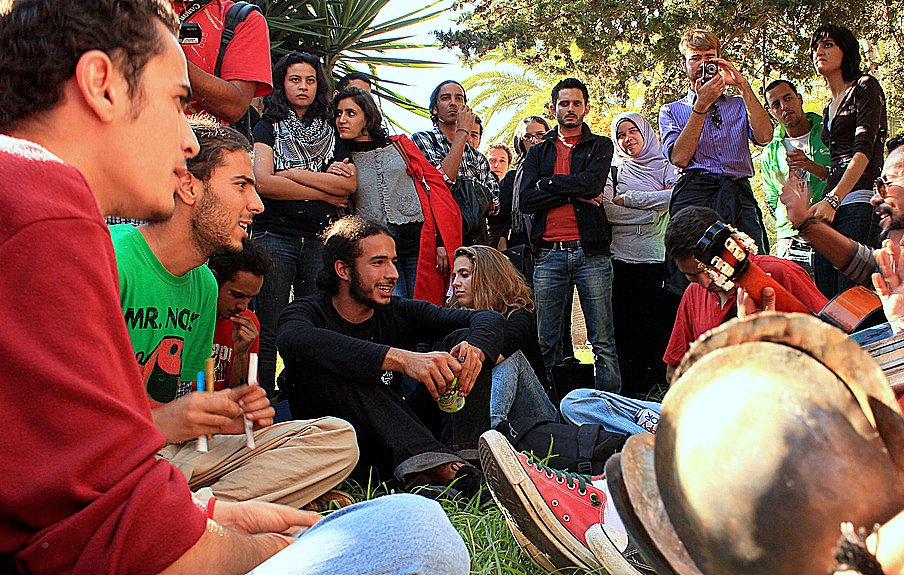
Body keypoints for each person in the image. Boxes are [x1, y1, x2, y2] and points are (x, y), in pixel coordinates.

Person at [0, 1, 469, 573]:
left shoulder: (39, 202)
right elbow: (121, 539)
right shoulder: (46, 214)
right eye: (177, 101)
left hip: (154, 493)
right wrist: (245, 544)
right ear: (101, 85)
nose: (188, 141)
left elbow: (72, 478)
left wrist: (210, 510)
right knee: (414, 532)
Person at [112, 120, 359, 509]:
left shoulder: (204, 287)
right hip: (106, 458)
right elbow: (60, 421)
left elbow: (182, 400)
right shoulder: (111, 259)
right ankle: (200, 515)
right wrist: (168, 423)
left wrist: (225, 415)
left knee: (337, 438)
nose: (257, 204)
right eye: (242, 184)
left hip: (169, 456)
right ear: (188, 185)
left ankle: (193, 511)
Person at [277, 216, 505, 493]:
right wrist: (401, 359)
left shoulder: (396, 311)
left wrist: (476, 349)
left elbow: (488, 320)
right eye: (378, 262)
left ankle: (465, 463)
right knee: (341, 364)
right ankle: (445, 473)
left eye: (393, 262)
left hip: (399, 435)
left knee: (462, 343)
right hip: (344, 446)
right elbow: (292, 340)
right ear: (343, 270)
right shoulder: (307, 312)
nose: (393, 274)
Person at [251, 51, 357, 397]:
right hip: (274, 236)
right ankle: (265, 401)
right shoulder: (267, 126)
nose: (303, 87)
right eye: (295, 79)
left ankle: (307, 398)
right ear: (282, 83)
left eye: (310, 80)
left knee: (315, 324)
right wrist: (323, 188)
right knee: (269, 324)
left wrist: (294, 175)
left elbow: (346, 187)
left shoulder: (331, 130)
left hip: (319, 239)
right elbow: (263, 182)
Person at [520, 77, 621, 393]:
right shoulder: (538, 153)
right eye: (564, 103)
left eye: (576, 103)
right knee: (547, 339)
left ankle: (610, 404)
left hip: (590, 253)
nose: (570, 109)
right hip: (548, 254)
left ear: (586, 108)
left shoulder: (600, 145)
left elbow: (593, 185)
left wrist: (549, 184)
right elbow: (526, 200)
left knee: (602, 338)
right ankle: (552, 406)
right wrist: (572, 188)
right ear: (553, 109)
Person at [659, 29, 773, 292]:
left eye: (709, 57)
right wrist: (702, 105)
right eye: (695, 58)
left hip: (737, 193)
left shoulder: (738, 104)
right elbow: (680, 157)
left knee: (752, 268)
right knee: (696, 275)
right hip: (696, 195)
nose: (702, 64)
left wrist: (743, 85)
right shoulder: (672, 110)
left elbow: (765, 136)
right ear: (685, 64)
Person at [662, 206, 828, 383]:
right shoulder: (693, 293)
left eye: (711, 269)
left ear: (731, 247)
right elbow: (674, 371)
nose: (706, 283)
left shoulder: (781, 273)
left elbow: (834, 344)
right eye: (691, 275)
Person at [333, 87, 462, 303]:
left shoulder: (400, 145)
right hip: (376, 249)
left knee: (425, 306)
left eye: (350, 113)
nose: (342, 120)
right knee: (393, 307)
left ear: (367, 116)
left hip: (417, 244)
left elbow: (433, 186)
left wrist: (441, 241)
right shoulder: (340, 156)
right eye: (338, 114)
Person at [602, 112, 678, 397]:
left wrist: (631, 201)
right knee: (626, 330)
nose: (627, 138)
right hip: (621, 261)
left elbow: (674, 196)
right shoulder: (615, 171)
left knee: (658, 328)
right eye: (621, 134)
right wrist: (650, 214)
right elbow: (609, 210)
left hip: (657, 260)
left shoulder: (666, 165)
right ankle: (631, 394)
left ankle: (659, 392)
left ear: (645, 132)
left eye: (633, 131)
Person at [808, 24, 886, 298]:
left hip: (859, 204)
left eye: (827, 45)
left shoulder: (865, 87)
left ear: (846, 50)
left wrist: (833, 200)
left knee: (853, 298)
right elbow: (835, 165)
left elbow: (863, 151)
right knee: (827, 296)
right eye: (815, 47)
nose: (819, 51)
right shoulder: (828, 108)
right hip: (834, 207)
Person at [447, 245, 558, 427]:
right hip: (477, 410)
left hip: (537, 415)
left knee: (505, 356)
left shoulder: (519, 314)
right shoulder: (456, 315)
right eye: (454, 276)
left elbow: (499, 350)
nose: (455, 283)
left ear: (488, 278)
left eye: (464, 275)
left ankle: (491, 433)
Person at [412, 80, 500, 246]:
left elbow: (494, 204)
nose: (453, 103)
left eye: (459, 98)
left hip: (476, 241)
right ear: (434, 109)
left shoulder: (478, 157)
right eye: (446, 98)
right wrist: (462, 133)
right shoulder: (423, 139)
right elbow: (440, 183)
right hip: (440, 237)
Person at [761, 78, 831, 276]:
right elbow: (772, 198)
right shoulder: (771, 151)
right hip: (790, 240)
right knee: (793, 303)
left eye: (788, 98)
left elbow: (841, 176)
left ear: (799, 99)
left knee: (832, 301)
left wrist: (808, 165)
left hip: (828, 231)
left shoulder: (827, 132)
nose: (784, 107)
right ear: (772, 112)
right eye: (775, 104)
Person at [172, 0, 272, 124]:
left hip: (202, 139)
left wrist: (168, 56)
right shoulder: (142, 12)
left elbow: (234, 107)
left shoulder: (242, 18)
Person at [208, 238, 272, 389]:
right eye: (236, 295)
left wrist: (241, 355)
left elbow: (244, 395)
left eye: (250, 298)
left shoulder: (247, 323)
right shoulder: (189, 316)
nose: (243, 306)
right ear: (213, 279)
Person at [506, 116, 552, 251]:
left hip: (554, 245)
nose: (534, 141)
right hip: (523, 249)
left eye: (540, 135)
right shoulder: (512, 178)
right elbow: (502, 222)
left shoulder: (560, 170)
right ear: (520, 142)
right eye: (527, 137)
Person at [486, 142, 513, 248]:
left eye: (502, 161)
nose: (497, 165)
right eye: (492, 161)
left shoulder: (516, 190)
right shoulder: (477, 190)